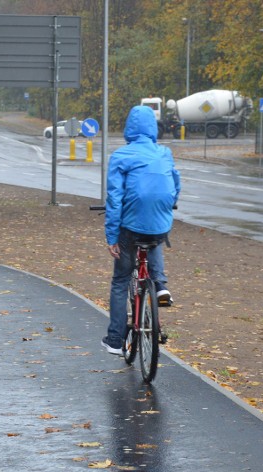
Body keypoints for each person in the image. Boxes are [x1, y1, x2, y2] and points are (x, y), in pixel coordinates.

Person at [101, 105, 180, 355]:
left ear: (128, 129)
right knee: (155, 236)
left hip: (130, 227)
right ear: (153, 129)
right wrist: (167, 205)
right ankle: (161, 286)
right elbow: (175, 183)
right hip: (160, 222)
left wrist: (112, 237)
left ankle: (115, 339)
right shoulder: (164, 152)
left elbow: (115, 199)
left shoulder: (121, 156)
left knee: (121, 280)